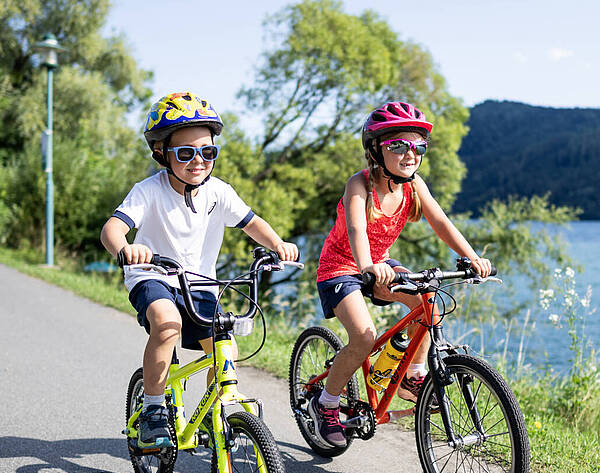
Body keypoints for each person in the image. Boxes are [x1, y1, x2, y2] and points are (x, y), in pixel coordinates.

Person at [101, 92, 298, 448]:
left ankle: (214, 412)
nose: (198, 161)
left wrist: (277, 244)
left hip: (200, 285)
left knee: (226, 347)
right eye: (186, 152)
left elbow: (252, 222)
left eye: (207, 152)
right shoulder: (148, 191)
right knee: (167, 323)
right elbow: (112, 229)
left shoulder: (219, 192)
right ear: (162, 153)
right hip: (152, 276)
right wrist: (126, 248)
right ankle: (153, 409)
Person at [311, 101, 491, 447]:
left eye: (417, 146)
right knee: (364, 336)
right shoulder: (359, 185)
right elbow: (356, 229)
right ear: (376, 150)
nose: (410, 154)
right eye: (398, 145)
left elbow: (441, 222)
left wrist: (472, 257)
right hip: (341, 268)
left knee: (430, 305)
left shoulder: (413, 185)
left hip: (380, 264)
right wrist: (367, 267)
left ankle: (413, 374)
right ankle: (327, 404)